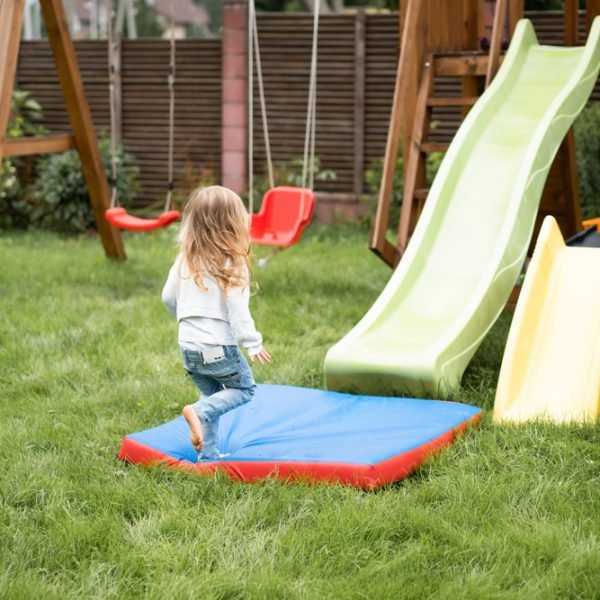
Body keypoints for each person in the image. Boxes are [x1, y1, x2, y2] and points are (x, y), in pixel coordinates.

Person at [162, 185, 271, 460]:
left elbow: (167, 297)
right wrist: (252, 343)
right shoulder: (232, 261)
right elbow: (237, 309)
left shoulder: (185, 258)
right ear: (233, 223)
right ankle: (197, 413)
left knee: (211, 397)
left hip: (188, 348)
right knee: (244, 390)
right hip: (217, 349)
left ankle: (207, 457)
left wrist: (185, 322)